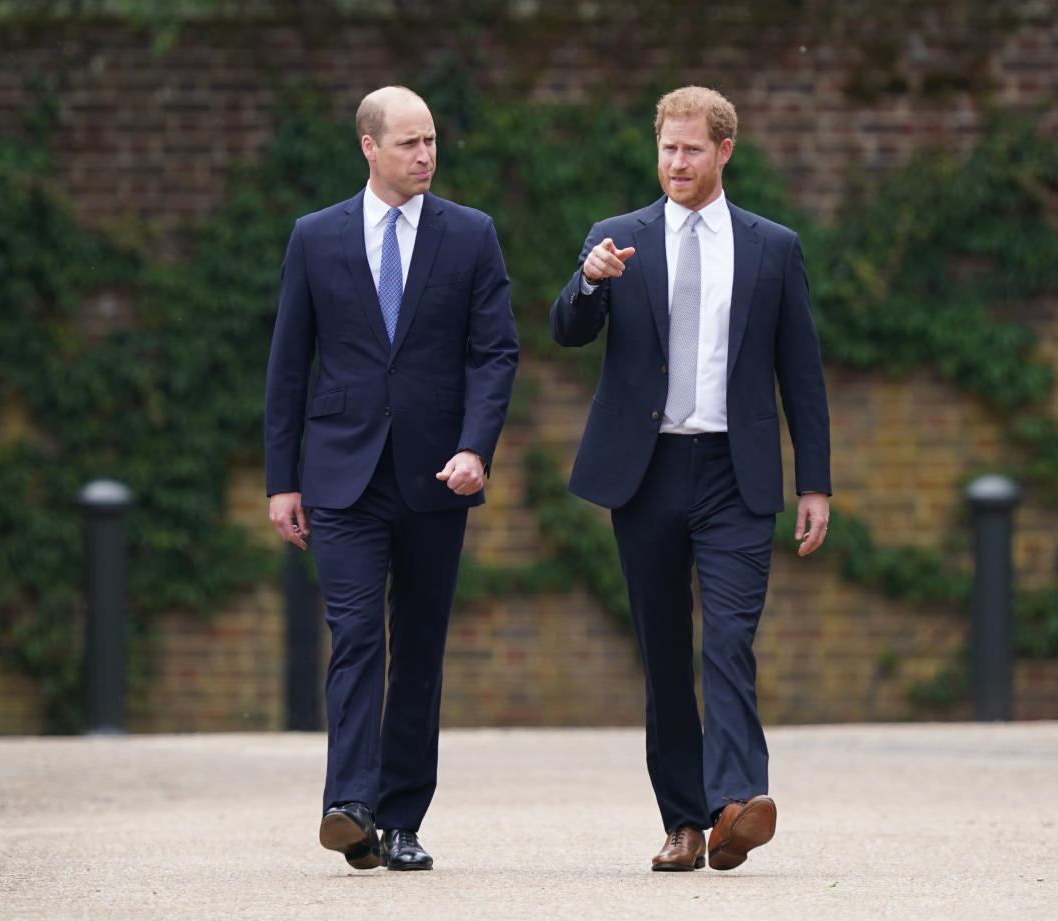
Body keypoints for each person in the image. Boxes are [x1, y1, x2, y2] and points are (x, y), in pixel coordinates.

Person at [550, 86, 831, 873]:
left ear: (724, 152)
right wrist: (589, 280)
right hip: (647, 473)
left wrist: (815, 482)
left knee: (731, 640)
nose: (677, 162)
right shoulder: (616, 239)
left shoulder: (772, 246)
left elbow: (801, 375)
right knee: (666, 650)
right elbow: (566, 330)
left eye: (693, 150)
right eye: (668, 148)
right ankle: (683, 820)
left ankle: (739, 803)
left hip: (735, 473)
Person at [265, 85, 518, 872]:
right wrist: (283, 480)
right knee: (357, 634)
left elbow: (495, 353)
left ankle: (401, 819)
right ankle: (349, 804)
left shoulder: (471, 235)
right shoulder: (315, 238)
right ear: (369, 148)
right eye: (409, 142)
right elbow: (288, 366)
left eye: (432, 140)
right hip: (341, 476)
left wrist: (476, 448)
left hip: (437, 477)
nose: (426, 155)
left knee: (419, 647)